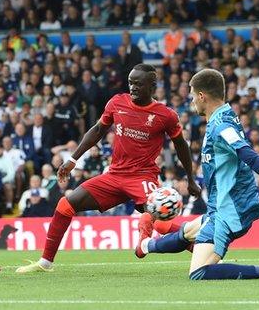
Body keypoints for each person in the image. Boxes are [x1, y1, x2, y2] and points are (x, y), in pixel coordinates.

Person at [135, 69, 259, 280]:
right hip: (220, 206)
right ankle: (145, 246)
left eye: (193, 95)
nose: (192, 100)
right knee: (187, 233)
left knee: (198, 273)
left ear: (202, 96)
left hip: (230, 209)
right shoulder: (223, 117)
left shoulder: (221, 126)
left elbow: (249, 155)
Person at [16, 64, 201, 273]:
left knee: (158, 216)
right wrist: (73, 159)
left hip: (142, 176)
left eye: (139, 84)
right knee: (65, 205)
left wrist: (191, 178)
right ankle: (45, 262)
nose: (133, 88)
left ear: (152, 86)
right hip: (114, 176)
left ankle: (203, 250)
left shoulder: (165, 115)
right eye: (131, 83)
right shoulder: (117, 102)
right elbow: (97, 130)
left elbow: (181, 146)